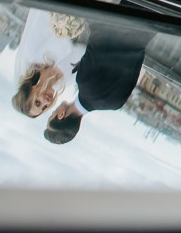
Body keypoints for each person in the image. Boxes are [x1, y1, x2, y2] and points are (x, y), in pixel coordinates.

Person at [44, 17, 154, 145]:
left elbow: (137, 63)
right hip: (126, 15)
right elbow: (99, 34)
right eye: (52, 114)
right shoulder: (84, 82)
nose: (53, 110)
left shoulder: (115, 105)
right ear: (61, 115)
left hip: (148, 28)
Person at [12, 5, 88, 118]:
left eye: (38, 102)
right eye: (44, 107)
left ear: (31, 89)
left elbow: (45, 12)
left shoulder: (33, 51)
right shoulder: (68, 80)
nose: (46, 102)